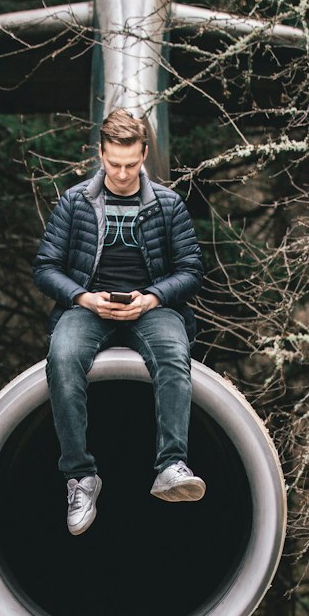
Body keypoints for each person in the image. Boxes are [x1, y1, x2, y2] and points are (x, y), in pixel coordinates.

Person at [33, 108, 206, 535]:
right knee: (63, 355)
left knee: (173, 353)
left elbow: (191, 270)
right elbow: (45, 267)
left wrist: (152, 298)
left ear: (144, 154)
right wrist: (83, 297)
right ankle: (80, 477)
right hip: (89, 308)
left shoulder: (168, 204)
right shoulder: (74, 201)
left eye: (131, 164)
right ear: (100, 154)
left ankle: (171, 466)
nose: (124, 173)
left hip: (152, 309)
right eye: (114, 163)